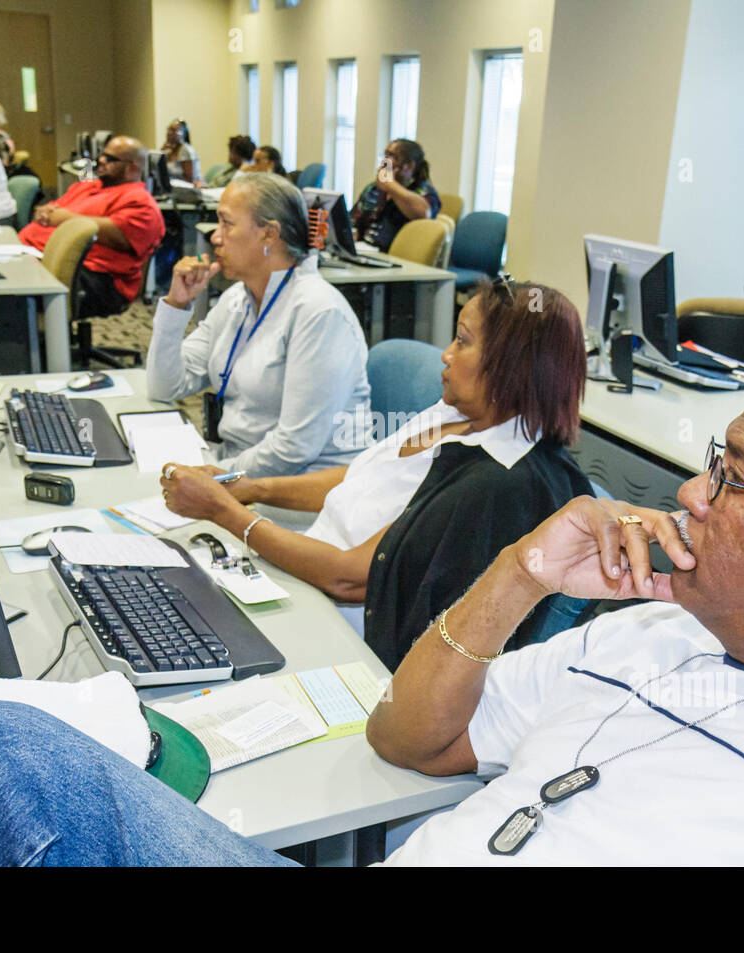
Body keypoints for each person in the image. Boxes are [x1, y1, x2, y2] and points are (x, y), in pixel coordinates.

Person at [0, 367, 744, 866]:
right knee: (7, 769)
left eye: (732, 474)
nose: (687, 496)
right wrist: (516, 573)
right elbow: (407, 740)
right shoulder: (644, 630)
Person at [159, 278, 592, 661]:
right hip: (303, 573)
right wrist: (250, 490)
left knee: (180, 638)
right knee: (161, 595)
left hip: (342, 630)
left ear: (510, 365)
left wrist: (224, 513)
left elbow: (349, 579)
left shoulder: (494, 480)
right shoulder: (457, 412)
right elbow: (365, 477)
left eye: (462, 341)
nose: (445, 354)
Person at [146, 172, 370, 477]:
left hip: (298, 496)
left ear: (269, 235)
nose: (215, 236)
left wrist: (214, 476)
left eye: (227, 223)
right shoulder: (237, 298)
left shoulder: (319, 313)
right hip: (239, 473)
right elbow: (165, 386)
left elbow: (295, 449)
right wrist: (176, 305)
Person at [17, 134, 165, 318]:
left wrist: (65, 218)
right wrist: (44, 212)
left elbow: (113, 233)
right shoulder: (87, 187)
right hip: (35, 257)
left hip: (91, 278)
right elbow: (52, 211)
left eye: (111, 159)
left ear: (132, 168)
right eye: (102, 155)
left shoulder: (141, 203)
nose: (101, 161)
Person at [350, 138, 440, 252]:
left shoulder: (424, 192)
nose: (384, 162)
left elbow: (424, 214)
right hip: (365, 250)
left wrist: (390, 185)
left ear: (409, 166)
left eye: (391, 156)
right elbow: (354, 221)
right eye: (385, 155)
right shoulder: (373, 188)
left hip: (397, 256)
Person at [161, 118, 200, 183]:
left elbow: (191, 180)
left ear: (182, 134)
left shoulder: (186, 150)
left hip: (187, 189)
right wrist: (162, 151)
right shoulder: (167, 150)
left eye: (173, 130)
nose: (169, 133)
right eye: (169, 129)